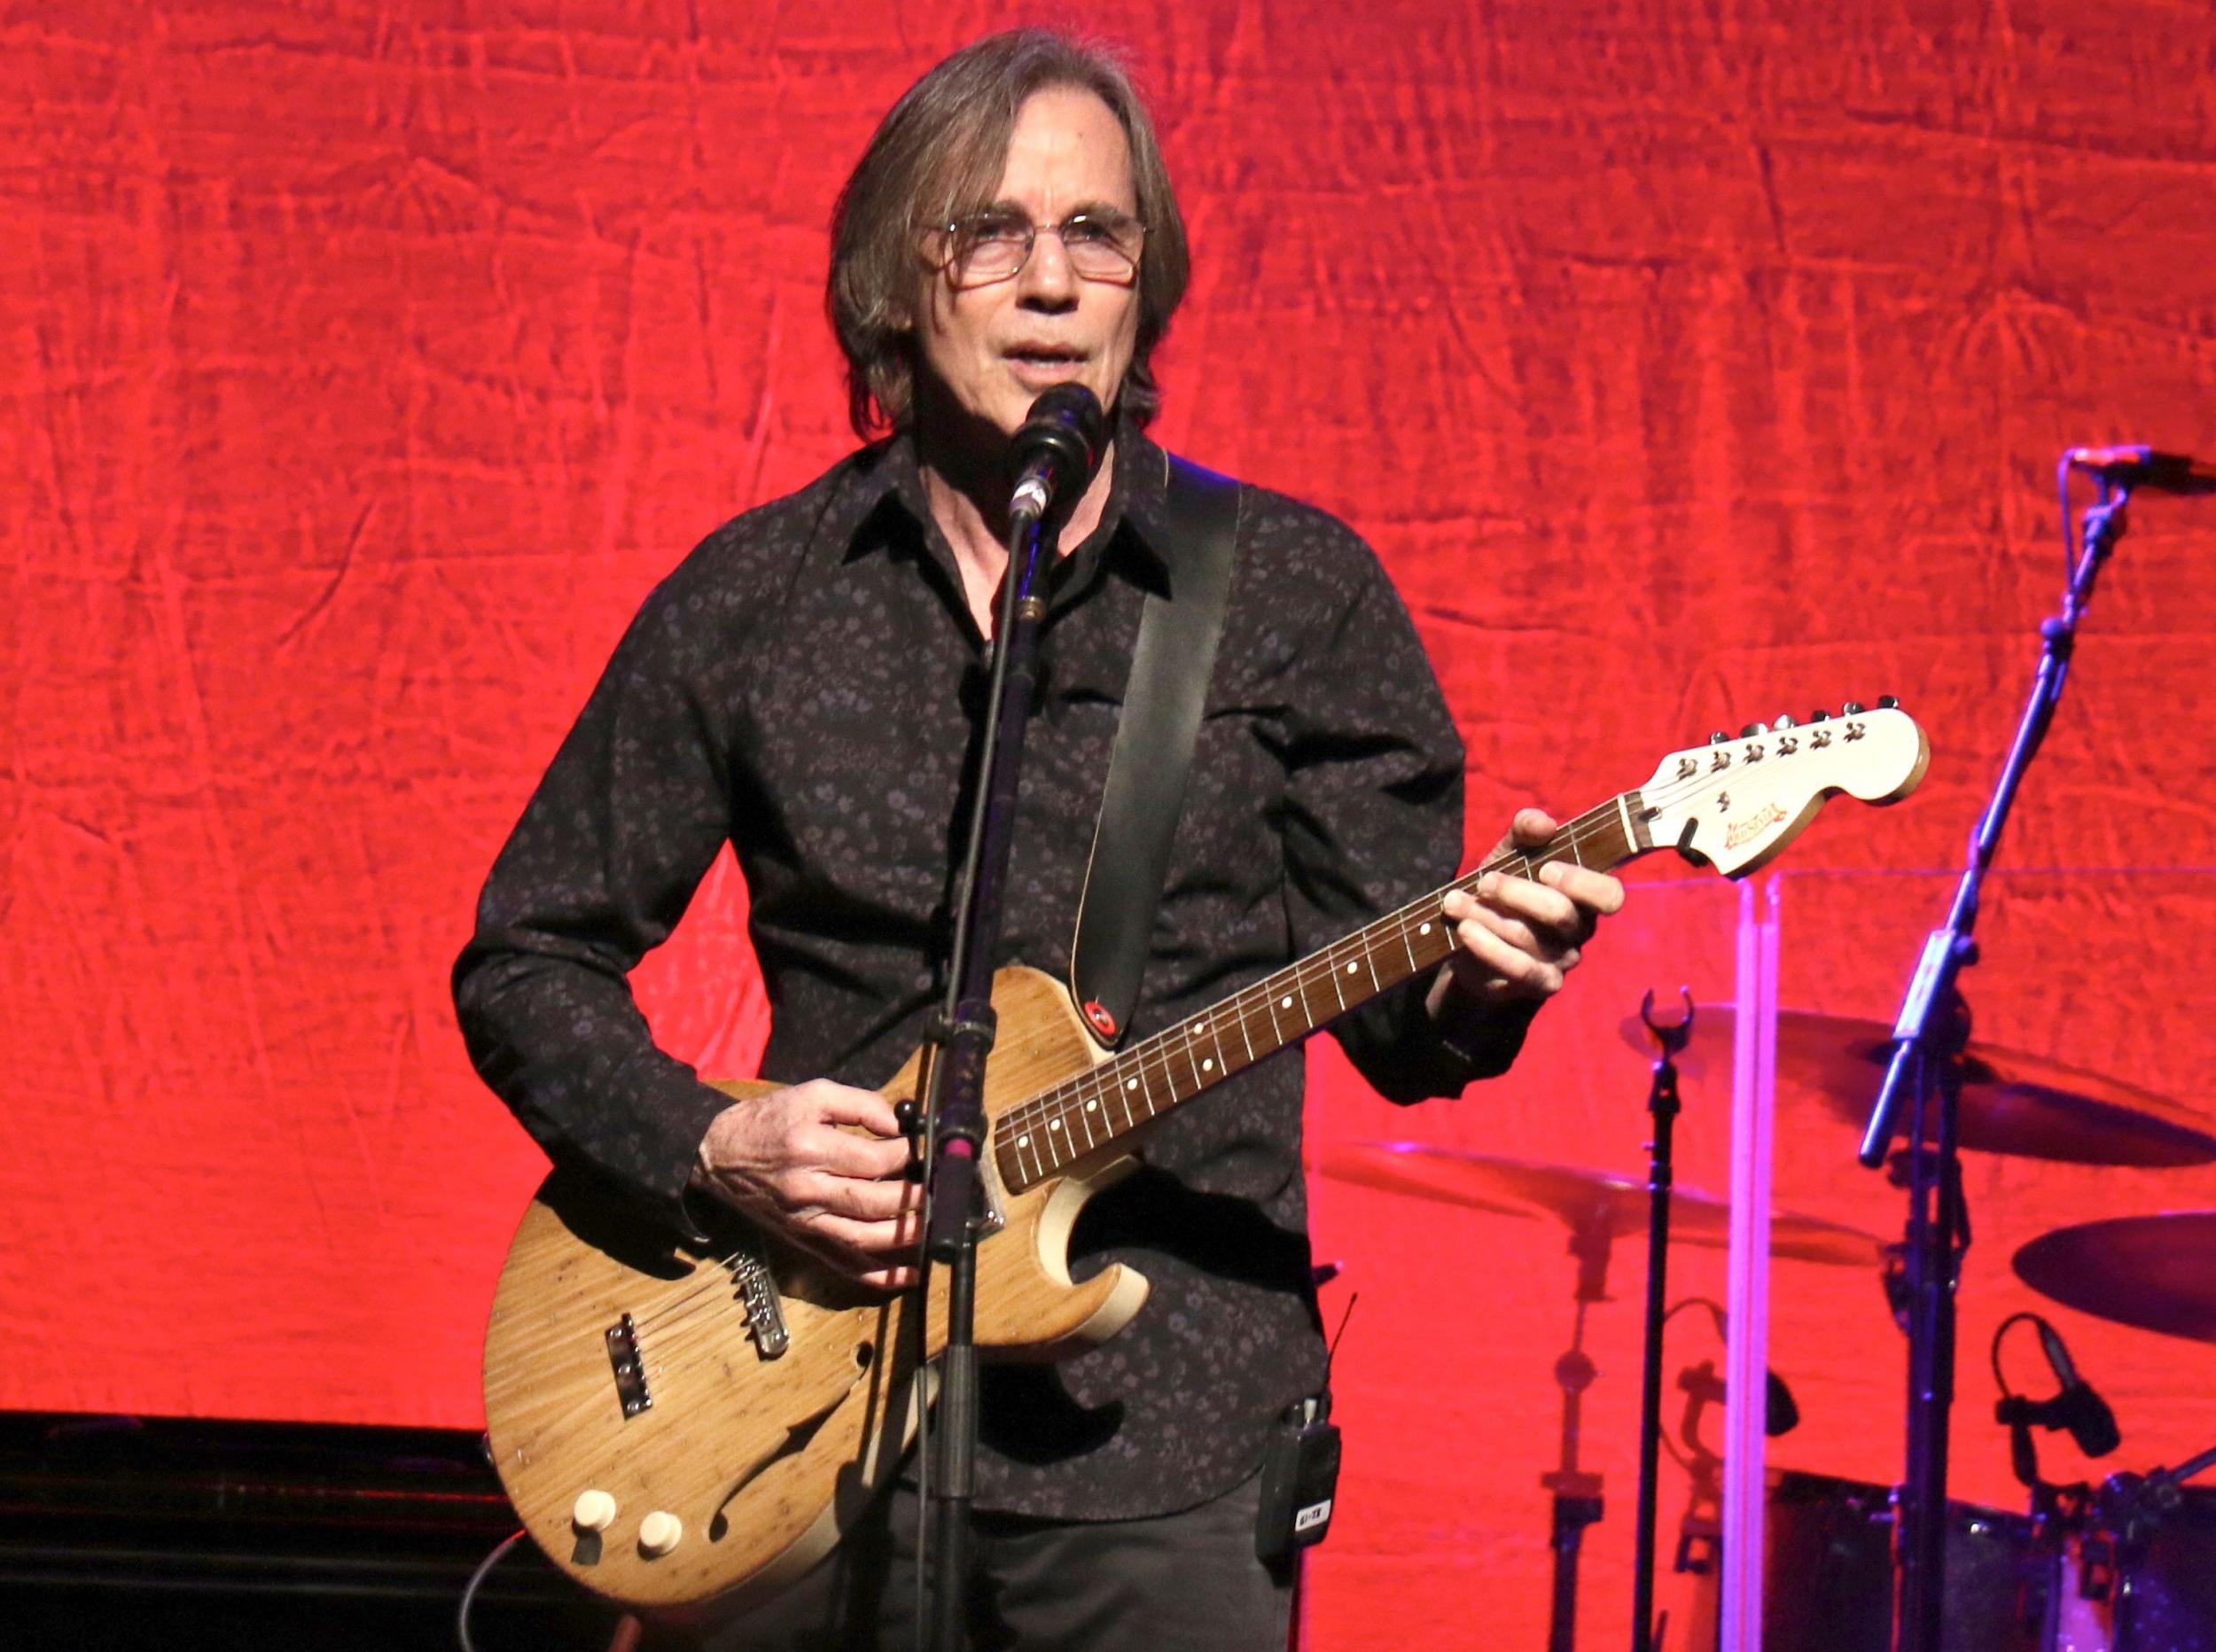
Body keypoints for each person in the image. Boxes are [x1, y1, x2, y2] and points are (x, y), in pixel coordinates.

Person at [454, 27, 1623, 1651]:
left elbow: (1410, 1036)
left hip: (1166, 1443)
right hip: (785, 1423)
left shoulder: (1289, 592)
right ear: (895, 282)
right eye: (990, 233)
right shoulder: (758, 598)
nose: (1051, 282)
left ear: (1146, 285)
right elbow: (529, 958)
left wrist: (1486, 973)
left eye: (1097, 233)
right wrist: (717, 1147)